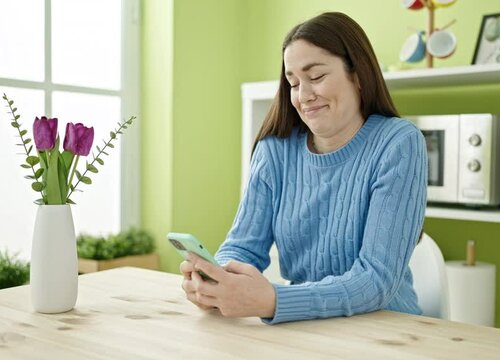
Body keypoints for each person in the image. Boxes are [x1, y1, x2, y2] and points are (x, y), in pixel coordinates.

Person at [180, 11, 427, 324]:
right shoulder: (275, 149)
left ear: (358, 74)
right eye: (293, 82)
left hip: (389, 329)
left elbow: (375, 280)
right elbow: (242, 246)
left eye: (317, 77)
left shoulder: (397, 143)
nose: (303, 96)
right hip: (304, 327)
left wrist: (273, 299)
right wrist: (218, 281)